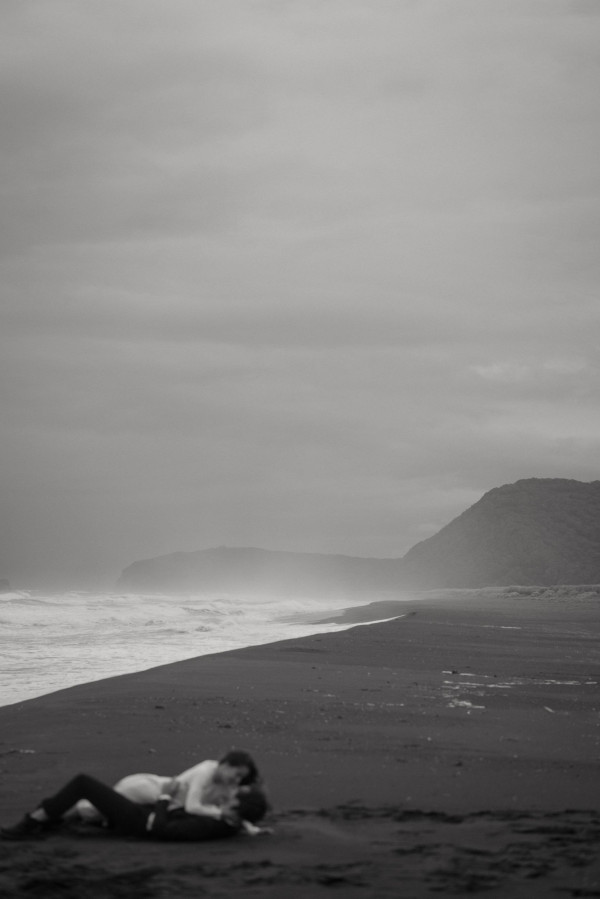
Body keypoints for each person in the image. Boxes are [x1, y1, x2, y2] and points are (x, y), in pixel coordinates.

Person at [0, 771, 269, 842]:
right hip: (143, 816)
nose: (226, 802)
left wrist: (165, 798)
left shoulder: (210, 825)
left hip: (139, 821)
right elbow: (231, 816)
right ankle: (48, 819)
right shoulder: (226, 822)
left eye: (232, 803)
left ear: (236, 813)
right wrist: (249, 827)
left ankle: (31, 823)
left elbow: (162, 830)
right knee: (88, 804)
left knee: (83, 783)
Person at [75, 748, 261, 824]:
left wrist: (251, 828)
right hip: (148, 789)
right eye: (237, 775)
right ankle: (61, 810)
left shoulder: (228, 785)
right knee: (95, 810)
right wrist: (219, 813)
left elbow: (234, 810)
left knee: (105, 814)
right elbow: (192, 806)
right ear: (226, 764)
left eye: (241, 779)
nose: (237, 781)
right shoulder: (206, 771)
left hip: (160, 801)